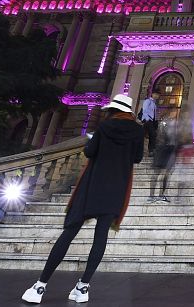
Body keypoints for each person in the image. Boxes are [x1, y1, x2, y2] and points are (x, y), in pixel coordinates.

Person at [21, 94, 144, 304]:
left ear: (113, 110)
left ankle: (40, 286)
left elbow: (89, 151)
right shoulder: (138, 131)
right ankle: (83, 286)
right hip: (116, 188)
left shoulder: (104, 128)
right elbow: (137, 157)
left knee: (69, 233)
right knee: (100, 237)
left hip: (92, 185)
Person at [149, 118, 179, 203]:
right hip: (167, 150)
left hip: (160, 149)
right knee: (165, 174)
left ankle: (152, 196)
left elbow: (158, 137)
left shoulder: (162, 124)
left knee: (157, 173)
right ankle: (160, 195)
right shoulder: (170, 126)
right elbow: (172, 140)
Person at [140, 90, 159, 156]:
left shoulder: (154, 104)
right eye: (155, 94)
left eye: (157, 95)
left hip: (152, 121)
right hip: (147, 120)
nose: (156, 96)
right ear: (152, 94)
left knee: (151, 135)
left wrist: (156, 121)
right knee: (152, 134)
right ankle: (151, 150)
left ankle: (151, 151)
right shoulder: (148, 101)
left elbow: (155, 114)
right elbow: (144, 110)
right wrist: (147, 119)